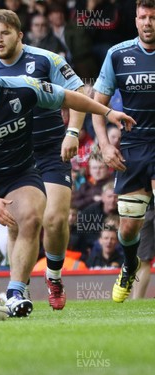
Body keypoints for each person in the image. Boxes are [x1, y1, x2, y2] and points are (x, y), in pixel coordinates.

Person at [0, 44, 135, 317]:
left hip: (20, 173)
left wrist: (107, 113)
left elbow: (70, 97)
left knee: (32, 218)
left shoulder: (24, 88)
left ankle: (15, 292)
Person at [0, 9, 87, 311]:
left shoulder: (46, 59)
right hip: (15, 157)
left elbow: (79, 91)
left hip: (52, 149)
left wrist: (73, 131)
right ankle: (19, 290)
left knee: (54, 219)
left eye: (5, 33)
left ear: (19, 35)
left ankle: (53, 276)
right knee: (19, 225)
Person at [91, 0, 155, 303]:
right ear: (136, 21)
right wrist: (104, 145)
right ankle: (129, 266)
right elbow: (97, 106)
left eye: (153, 17)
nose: (148, 23)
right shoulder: (118, 55)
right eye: (143, 17)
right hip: (132, 149)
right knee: (129, 228)